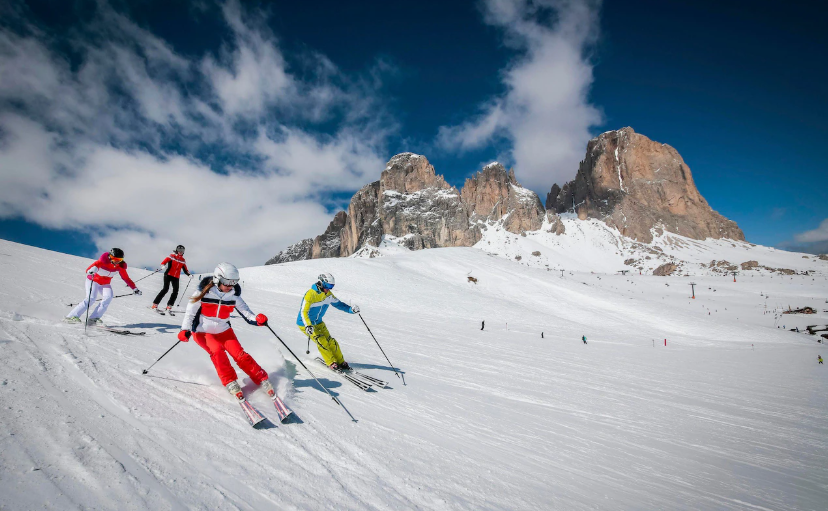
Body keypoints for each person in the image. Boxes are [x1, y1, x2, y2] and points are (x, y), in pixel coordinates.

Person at [178, 262, 273, 401]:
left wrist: (258, 319)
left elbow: (246, 313)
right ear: (217, 279)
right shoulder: (203, 292)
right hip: (203, 332)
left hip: (224, 331)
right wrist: (185, 329)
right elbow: (190, 313)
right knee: (217, 351)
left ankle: (261, 378)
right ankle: (230, 381)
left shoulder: (234, 295)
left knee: (240, 355)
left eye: (234, 282)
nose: (230, 285)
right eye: (227, 282)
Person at [296, 272, 359, 370]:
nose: (328, 289)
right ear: (321, 283)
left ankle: (341, 362)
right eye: (327, 286)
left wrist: (351, 310)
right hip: (305, 324)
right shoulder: (310, 294)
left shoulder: (328, 295)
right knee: (322, 341)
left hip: (319, 323)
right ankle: (331, 362)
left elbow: (339, 305)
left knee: (331, 341)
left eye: (331, 286)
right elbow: (303, 311)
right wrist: (308, 325)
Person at [65, 248, 141, 325]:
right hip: (93, 281)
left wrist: (135, 288)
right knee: (91, 298)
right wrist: (92, 270)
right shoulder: (102, 262)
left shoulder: (120, 267)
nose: (117, 261)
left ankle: (94, 318)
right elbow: (88, 271)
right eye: (115, 259)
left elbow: (126, 278)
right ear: (110, 257)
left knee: (108, 297)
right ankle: (71, 316)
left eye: (120, 259)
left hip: (105, 284)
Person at [152, 245, 192, 313]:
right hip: (168, 274)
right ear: (176, 250)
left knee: (175, 291)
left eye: (182, 251)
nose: (180, 252)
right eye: (179, 250)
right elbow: (163, 262)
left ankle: (169, 306)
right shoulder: (172, 256)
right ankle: (155, 304)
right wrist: (162, 266)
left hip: (176, 277)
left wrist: (189, 275)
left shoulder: (183, 260)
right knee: (165, 289)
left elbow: (185, 269)